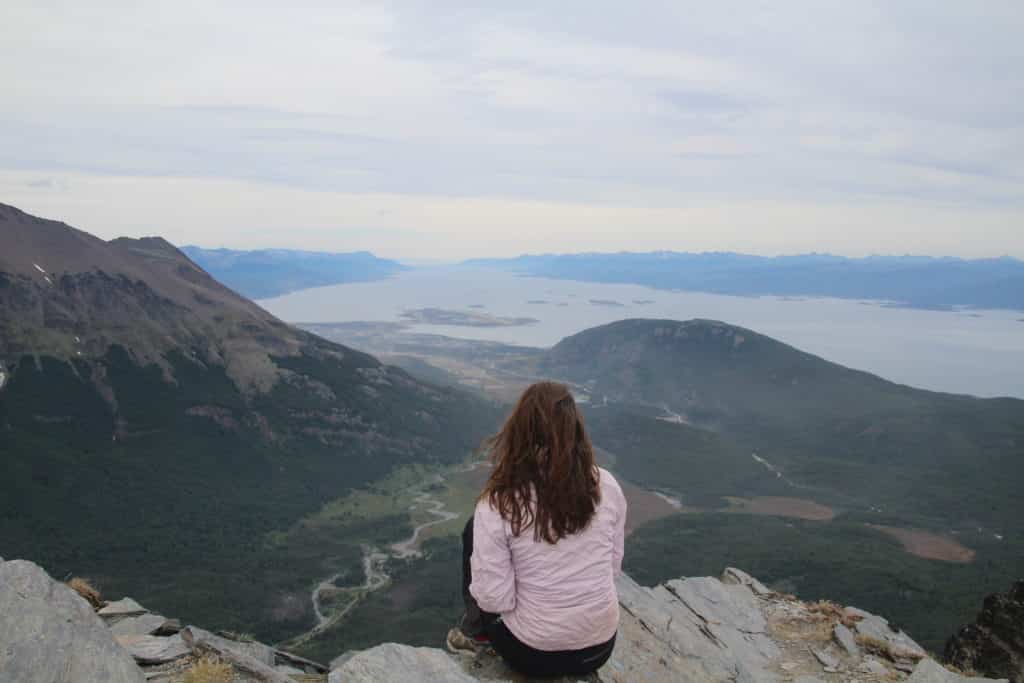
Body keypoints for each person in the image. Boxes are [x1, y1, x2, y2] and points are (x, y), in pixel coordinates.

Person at [447, 381, 628, 678]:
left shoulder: (501, 503)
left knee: (473, 529)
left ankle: (476, 633)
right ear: (576, 431)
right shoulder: (606, 484)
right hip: (599, 649)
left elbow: (494, 600)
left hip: (534, 655)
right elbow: (612, 569)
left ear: (518, 433)